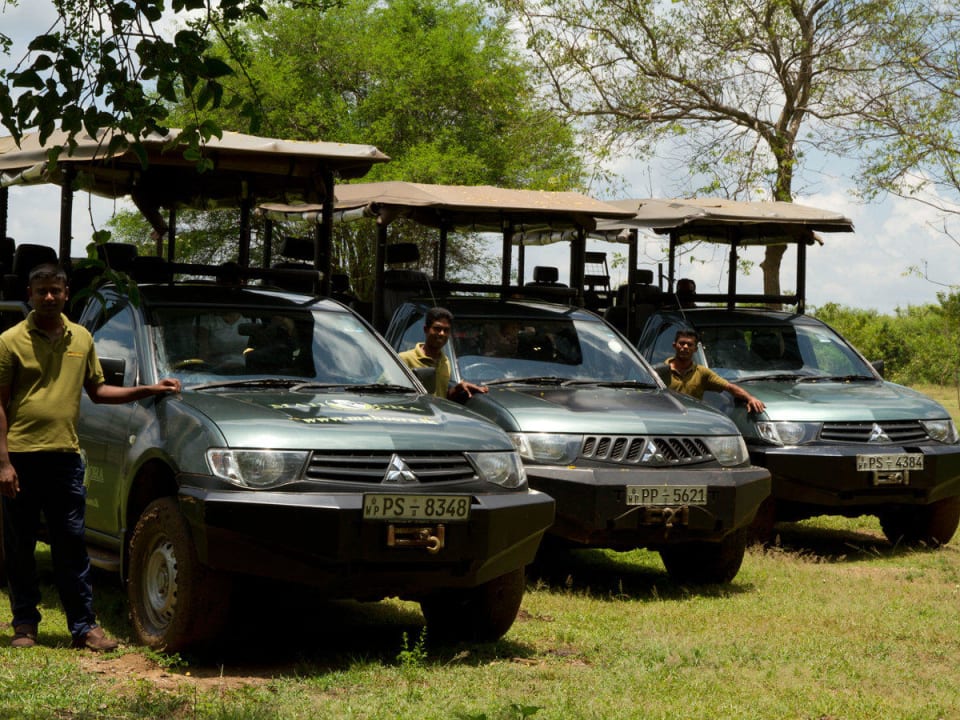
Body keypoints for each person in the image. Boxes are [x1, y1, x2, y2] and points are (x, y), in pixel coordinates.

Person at [0, 263, 182, 651]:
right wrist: (3, 463)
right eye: (41, 290)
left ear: (67, 293)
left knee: (71, 545)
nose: (48, 297)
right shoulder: (10, 340)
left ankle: (84, 627)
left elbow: (98, 391)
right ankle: (25, 626)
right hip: (20, 457)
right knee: (20, 547)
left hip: (65, 458)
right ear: (30, 295)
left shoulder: (81, 338)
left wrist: (149, 388)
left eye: (55, 290)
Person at [657, 328, 765, 413]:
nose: (685, 347)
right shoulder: (658, 371)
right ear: (674, 345)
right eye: (682, 343)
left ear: (695, 349)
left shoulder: (702, 373)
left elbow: (729, 387)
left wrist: (750, 398)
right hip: (667, 418)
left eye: (690, 344)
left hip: (692, 420)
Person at [399, 307, 487, 401]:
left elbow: (442, 397)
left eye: (446, 330)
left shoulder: (445, 361)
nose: (441, 334)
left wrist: (458, 388)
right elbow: (388, 392)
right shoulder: (404, 359)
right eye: (437, 328)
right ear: (426, 330)